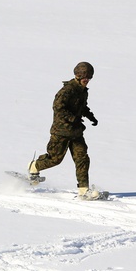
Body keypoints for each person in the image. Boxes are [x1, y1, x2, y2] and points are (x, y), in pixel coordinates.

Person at [27, 61, 101, 199]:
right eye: (85, 77)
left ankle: (83, 190)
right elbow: (58, 108)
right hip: (61, 131)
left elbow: (82, 106)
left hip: (76, 132)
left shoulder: (82, 91)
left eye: (89, 78)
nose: (87, 80)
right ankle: (35, 166)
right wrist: (73, 119)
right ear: (77, 76)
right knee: (55, 159)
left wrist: (91, 116)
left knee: (82, 158)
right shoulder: (67, 90)